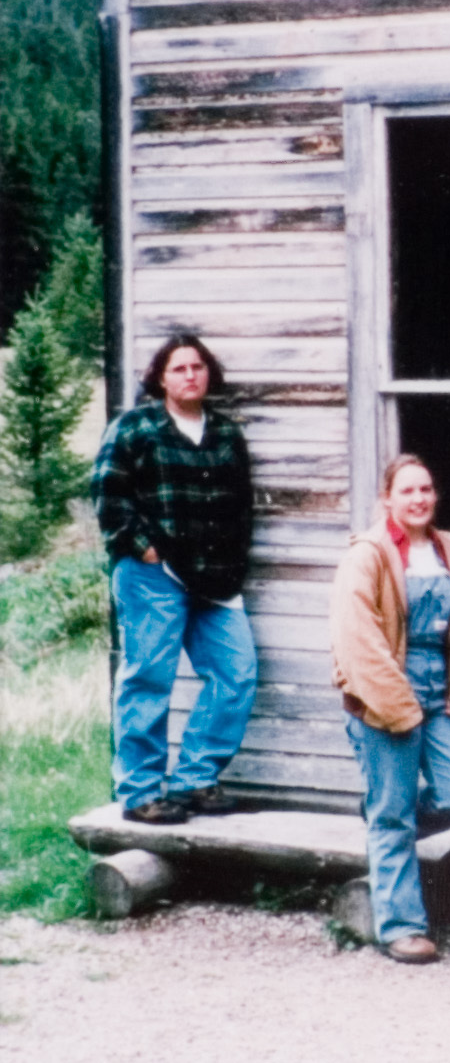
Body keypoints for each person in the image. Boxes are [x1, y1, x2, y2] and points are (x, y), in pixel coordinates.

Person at [90, 333, 257, 825]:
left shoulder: (226, 435)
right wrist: (141, 546)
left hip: (216, 577)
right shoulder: (135, 428)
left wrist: (234, 558)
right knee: (148, 679)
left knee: (237, 672)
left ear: (210, 375)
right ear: (161, 377)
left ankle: (194, 778)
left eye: (198, 367)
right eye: (180, 368)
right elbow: (107, 493)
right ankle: (140, 792)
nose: (190, 375)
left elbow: (243, 507)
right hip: (152, 575)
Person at [331, 454, 450, 965]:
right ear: (388, 499)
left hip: (439, 695)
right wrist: (400, 708)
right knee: (395, 818)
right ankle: (401, 927)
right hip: (383, 697)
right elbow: (359, 641)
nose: (419, 499)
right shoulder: (368, 555)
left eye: (426, 489)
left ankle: (382, 814)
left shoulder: (449, 552)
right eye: (407, 491)